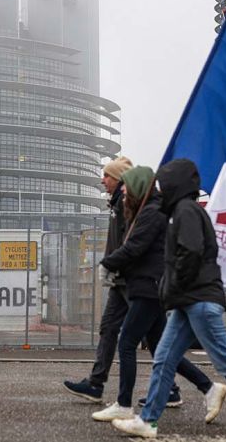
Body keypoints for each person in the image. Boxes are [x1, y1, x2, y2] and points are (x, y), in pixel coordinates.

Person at [112, 159, 226, 442]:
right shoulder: (183, 211)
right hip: (189, 300)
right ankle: (148, 421)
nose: (160, 188)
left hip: (198, 300)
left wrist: (172, 286)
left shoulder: (186, 211)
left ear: (175, 184)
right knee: (164, 359)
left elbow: (190, 253)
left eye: (164, 182)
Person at [91, 166, 226, 423]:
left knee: (127, 342)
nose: (122, 188)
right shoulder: (147, 211)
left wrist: (108, 263)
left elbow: (134, 247)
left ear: (139, 186)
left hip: (148, 288)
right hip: (148, 287)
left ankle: (123, 404)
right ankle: (208, 387)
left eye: (126, 185)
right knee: (163, 350)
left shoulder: (152, 213)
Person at [63, 156, 133, 403]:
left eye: (107, 176)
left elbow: (132, 242)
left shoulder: (127, 203)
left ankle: (182, 388)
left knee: (155, 337)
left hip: (130, 280)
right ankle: (95, 384)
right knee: (108, 328)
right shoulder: (116, 204)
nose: (102, 180)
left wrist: (112, 264)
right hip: (120, 280)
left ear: (119, 179)